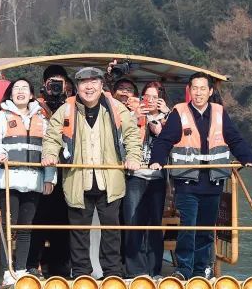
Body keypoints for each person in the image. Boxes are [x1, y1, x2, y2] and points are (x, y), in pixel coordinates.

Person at [149, 72, 252, 280]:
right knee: (188, 227)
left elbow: (234, 138)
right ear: (189, 91)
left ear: (210, 91)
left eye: (202, 89)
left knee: (206, 230)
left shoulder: (219, 113)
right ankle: (184, 270)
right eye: (194, 89)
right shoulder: (179, 112)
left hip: (213, 182)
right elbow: (164, 140)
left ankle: (201, 270)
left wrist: (247, 158)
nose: (198, 93)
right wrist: (157, 159)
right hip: (187, 182)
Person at [41, 66, 143, 278]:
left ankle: (113, 273)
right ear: (77, 87)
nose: (89, 87)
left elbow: (132, 133)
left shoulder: (115, 108)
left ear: (101, 85)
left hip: (110, 179)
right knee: (79, 231)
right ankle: (81, 273)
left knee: (111, 230)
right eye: (84, 83)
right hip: (78, 178)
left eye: (93, 82)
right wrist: (49, 155)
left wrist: (134, 157)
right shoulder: (66, 109)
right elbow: (52, 137)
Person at [0, 78, 56, 286]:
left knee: (26, 226)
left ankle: (23, 269)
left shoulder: (42, 118)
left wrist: (50, 177)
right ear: (10, 94)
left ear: (32, 94)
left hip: (33, 179)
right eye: (16, 89)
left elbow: (50, 149)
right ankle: (8, 270)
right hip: (9, 179)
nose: (20, 92)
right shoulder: (2, 116)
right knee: (9, 225)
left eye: (25, 88)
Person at [121, 81, 171, 277]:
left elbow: (179, 138)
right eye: (146, 96)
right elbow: (119, 137)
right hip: (135, 176)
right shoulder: (131, 116)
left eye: (155, 97)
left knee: (154, 224)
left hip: (157, 178)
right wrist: (135, 117)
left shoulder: (169, 118)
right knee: (134, 222)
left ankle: (154, 270)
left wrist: (165, 114)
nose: (150, 101)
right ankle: (135, 271)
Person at [27, 65, 72, 277]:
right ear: (44, 84)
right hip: (40, 171)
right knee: (38, 219)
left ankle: (59, 268)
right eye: (51, 82)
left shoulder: (73, 107)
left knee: (64, 220)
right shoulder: (34, 107)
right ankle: (32, 264)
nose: (55, 86)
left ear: (67, 86)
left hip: (67, 173)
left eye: (60, 82)